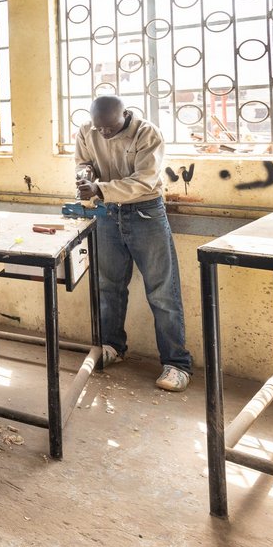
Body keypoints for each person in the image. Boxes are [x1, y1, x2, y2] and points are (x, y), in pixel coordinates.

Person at [76, 95, 192, 392]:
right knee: (108, 286)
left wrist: (98, 187)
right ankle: (112, 346)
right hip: (106, 214)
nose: (103, 133)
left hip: (145, 213)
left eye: (109, 127)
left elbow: (144, 180)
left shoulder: (147, 133)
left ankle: (177, 364)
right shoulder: (88, 130)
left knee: (162, 291)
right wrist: (85, 175)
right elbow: (83, 162)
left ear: (125, 115)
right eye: (98, 128)